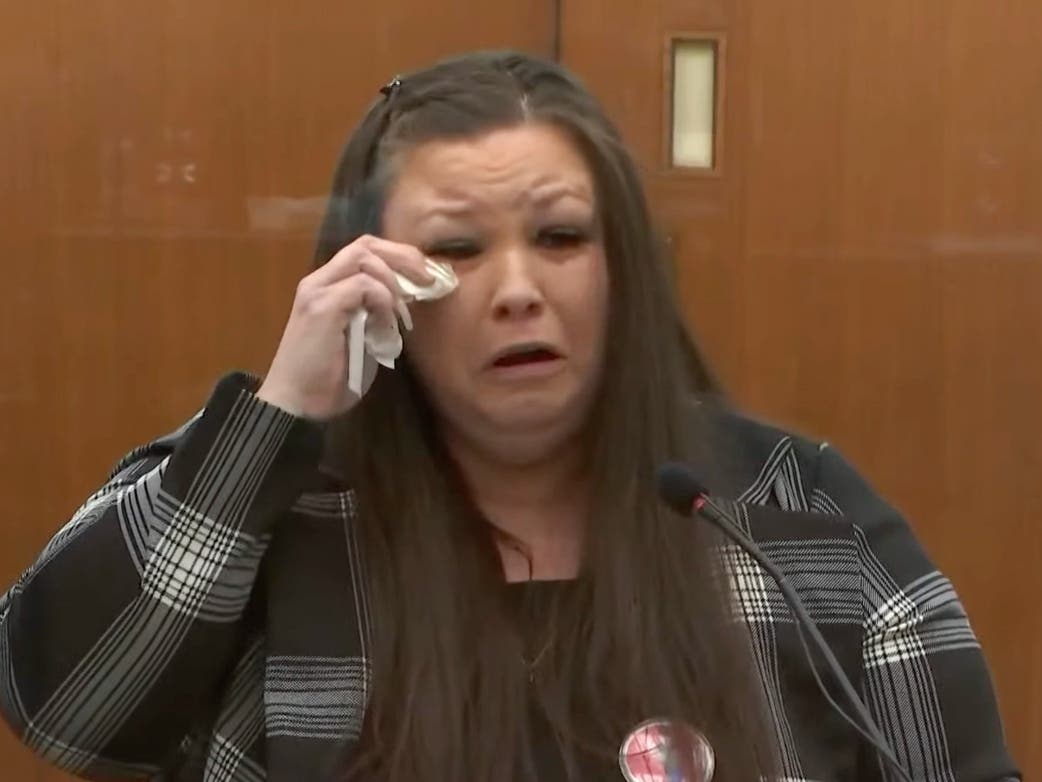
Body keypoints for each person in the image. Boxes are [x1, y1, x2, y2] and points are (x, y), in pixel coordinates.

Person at [0, 51, 1019, 782]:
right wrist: (277, 416)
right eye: (458, 249)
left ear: (624, 268)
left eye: (562, 236)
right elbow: (73, 714)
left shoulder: (792, 512)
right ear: (374, 282)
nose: (518, 289)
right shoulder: (275, 515)